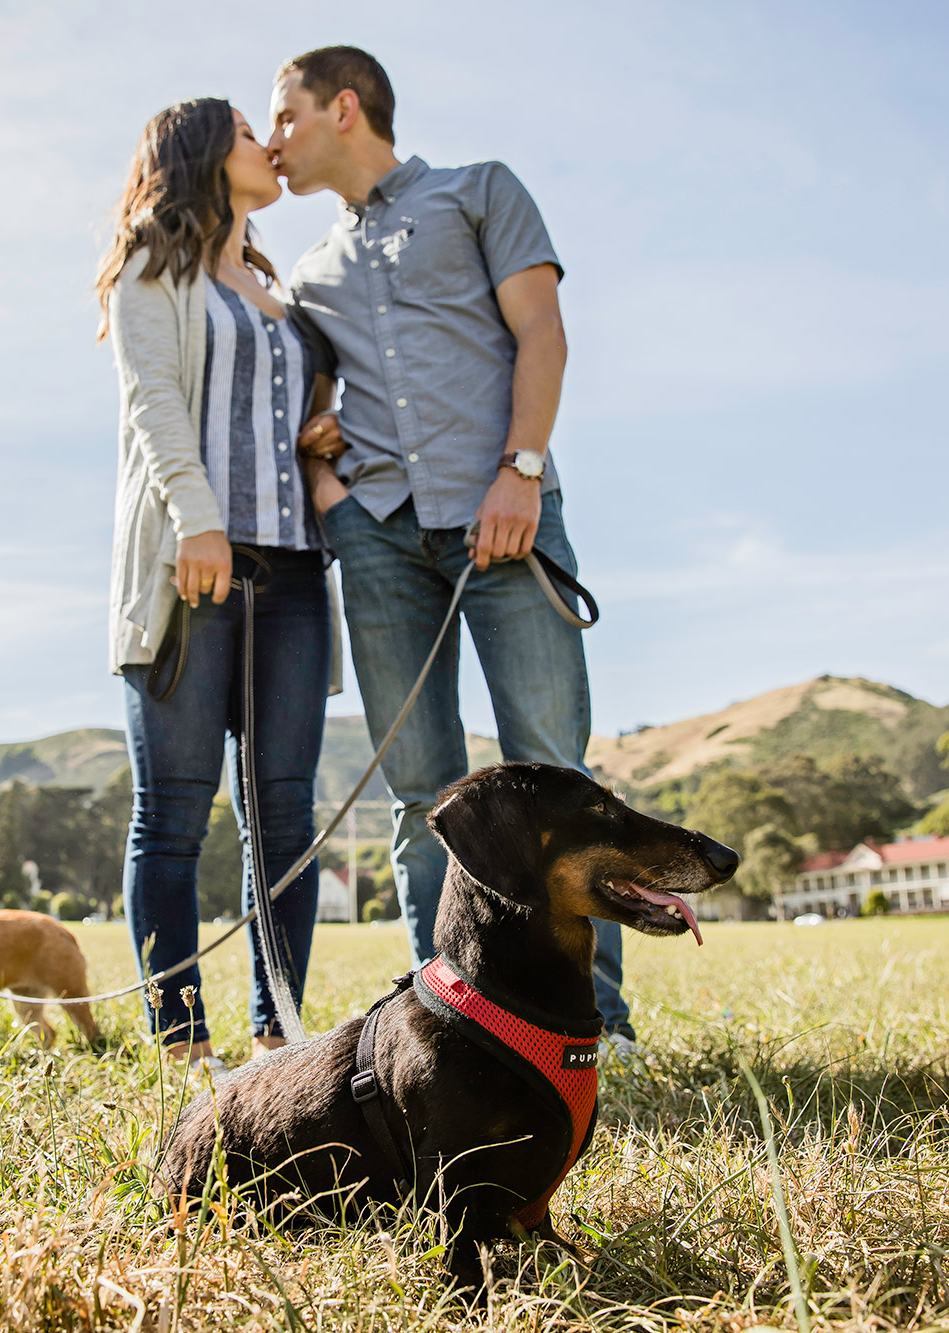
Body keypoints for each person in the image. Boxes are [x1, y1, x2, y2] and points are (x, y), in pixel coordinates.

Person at [267, 47, 638, 1049]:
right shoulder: (308, 273)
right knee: (416, 795)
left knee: (552, 772)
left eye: (284, 117)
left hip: (505, 522)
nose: (272, 141)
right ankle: (450, 1019)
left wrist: (519, 469)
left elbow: (541, 330)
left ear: (343, 108)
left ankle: (591, 1022)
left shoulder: (479, 192)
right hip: (381, 541)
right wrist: (332, 498)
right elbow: (306, 411)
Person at [97, 98, 343, 1070]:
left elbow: (282, 418)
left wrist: (319, 433)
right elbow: (153, 402)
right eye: (249, 131)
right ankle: (179, 1038)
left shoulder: (281, 291)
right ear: (203, 151)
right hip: (187, 566)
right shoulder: (153, 264)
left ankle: (278, 1032)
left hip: (290, 577)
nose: (267, 145)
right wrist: (196, 521)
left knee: (281, 814)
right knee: (173, 808)